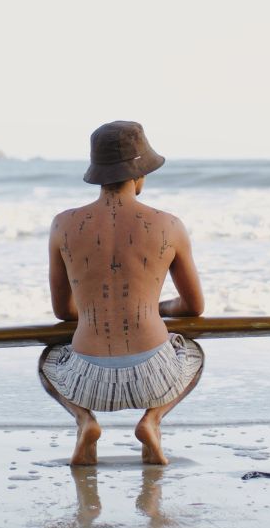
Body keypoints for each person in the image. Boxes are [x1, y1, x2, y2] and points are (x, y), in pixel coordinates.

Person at [39, 121, 205, 466]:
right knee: (193, 353)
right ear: (140, 173)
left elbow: (63, 312)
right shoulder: (169, 225)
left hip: (86, 382)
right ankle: (152, 420)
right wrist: (151, 308)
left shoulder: (62, 225)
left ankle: (85, 420)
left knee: (48, 361)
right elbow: (193, 306)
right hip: (154, 378)